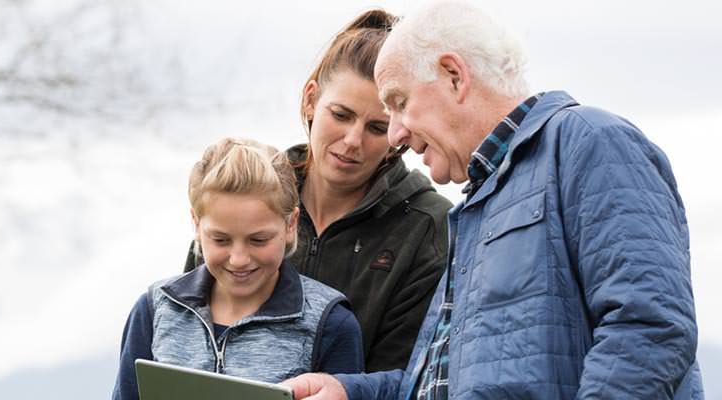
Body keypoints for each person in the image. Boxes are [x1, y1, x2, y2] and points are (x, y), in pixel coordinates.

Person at [283, 1, 702, 399]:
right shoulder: (476, 207)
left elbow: (649, 328)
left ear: (453, 76)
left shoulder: (588, 141)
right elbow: (442, 383)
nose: (396, 136)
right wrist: (349, 391)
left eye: (399, 103)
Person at [184, 9, 452, 372]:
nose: (353, 140)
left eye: (377, 127)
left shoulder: (427, 228)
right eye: (340, 115)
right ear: (311, 100)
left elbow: (402, 378)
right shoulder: (244, 194)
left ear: (400, 129)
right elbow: (186, 328)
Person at [113, 138, 364, 400]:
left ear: (291, 224)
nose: (239, 259)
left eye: (259, 240)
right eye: (220, 240)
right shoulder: (154, 310)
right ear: (196, 224)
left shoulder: (331, 324)